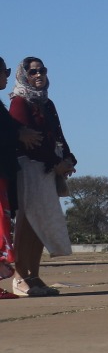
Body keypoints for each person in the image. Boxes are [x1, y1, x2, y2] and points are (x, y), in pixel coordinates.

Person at [8, 56, 76, 296]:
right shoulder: (19, 102)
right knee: (27, 223)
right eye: (33, 72)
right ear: (24, 75)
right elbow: (28, 142)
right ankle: (19, 277)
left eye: (42, 70)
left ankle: (34, 276)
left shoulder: (48, 104)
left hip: (48, 170)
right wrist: (55, 163)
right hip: (29, 170)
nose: (39, 75)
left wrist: (68, 159)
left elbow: (57, 134)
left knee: (40, 228)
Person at [0, 58, 43, 299]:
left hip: (4, 173)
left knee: (3, 227)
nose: (6, 76)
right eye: (3, 71)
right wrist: (19, 133)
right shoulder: (17, 103)